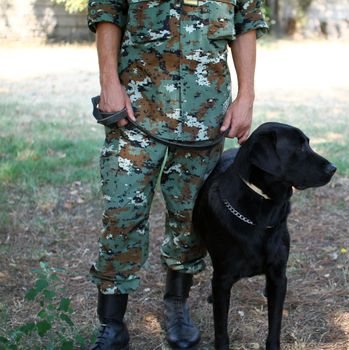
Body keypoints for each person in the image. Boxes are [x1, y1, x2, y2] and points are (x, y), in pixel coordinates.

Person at [87, 1, 268, 349]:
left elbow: (245, 22)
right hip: (134, 109)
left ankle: (177, 307)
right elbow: (108, 10)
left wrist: (246, 97)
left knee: (191, 220)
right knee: (122, 212)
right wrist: (108, 82)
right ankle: (112, 324)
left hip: (205, 113)